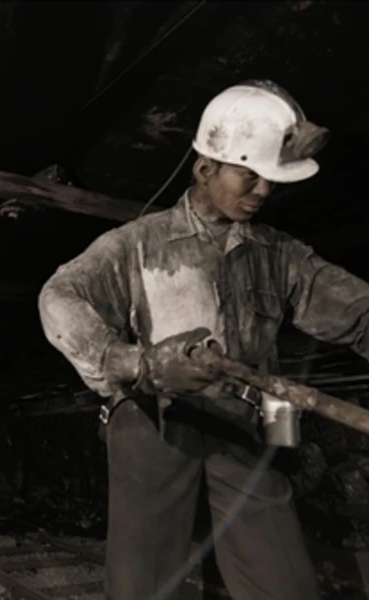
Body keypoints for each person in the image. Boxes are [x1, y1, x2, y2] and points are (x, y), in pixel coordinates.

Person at [37, 80, 366, 600]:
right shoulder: (137, 243)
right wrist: (138, 363)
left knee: (283, 582)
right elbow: (59, 297)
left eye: (270, 180)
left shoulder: (279, 254)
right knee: (143, 581)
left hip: (246, 422)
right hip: (154, 419)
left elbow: (361, 313)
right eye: (249, 175)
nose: (262, 191)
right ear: (205, 168)